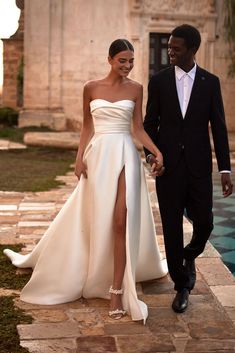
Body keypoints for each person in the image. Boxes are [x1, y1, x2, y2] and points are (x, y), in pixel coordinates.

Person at [4, 39, 167, 323]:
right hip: (99, 155)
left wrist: (156, 150)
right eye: (122, 61)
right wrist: (79, 158)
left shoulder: (137, 89)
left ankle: (117, 290)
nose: (128, 66)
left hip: (126, 154)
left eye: (131, 60)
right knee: (99, 219)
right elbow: (87, 126)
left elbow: (137, 128)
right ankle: (90, 270)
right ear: (109, 60)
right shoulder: (91, 88)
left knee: (121, 220)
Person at [144, 24, 233, 313]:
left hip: (198, 166)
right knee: (170, 227)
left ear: (192, 49)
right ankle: (182, 285)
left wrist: (225, 170)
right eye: (169, 46)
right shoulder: (158, 81)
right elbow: (149, 124)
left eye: (176, 48)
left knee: (205, 223)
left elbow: (218, 128)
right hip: (168, 168)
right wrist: (151, 155)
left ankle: (187, 255)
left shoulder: (210, 81)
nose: (170, 51)